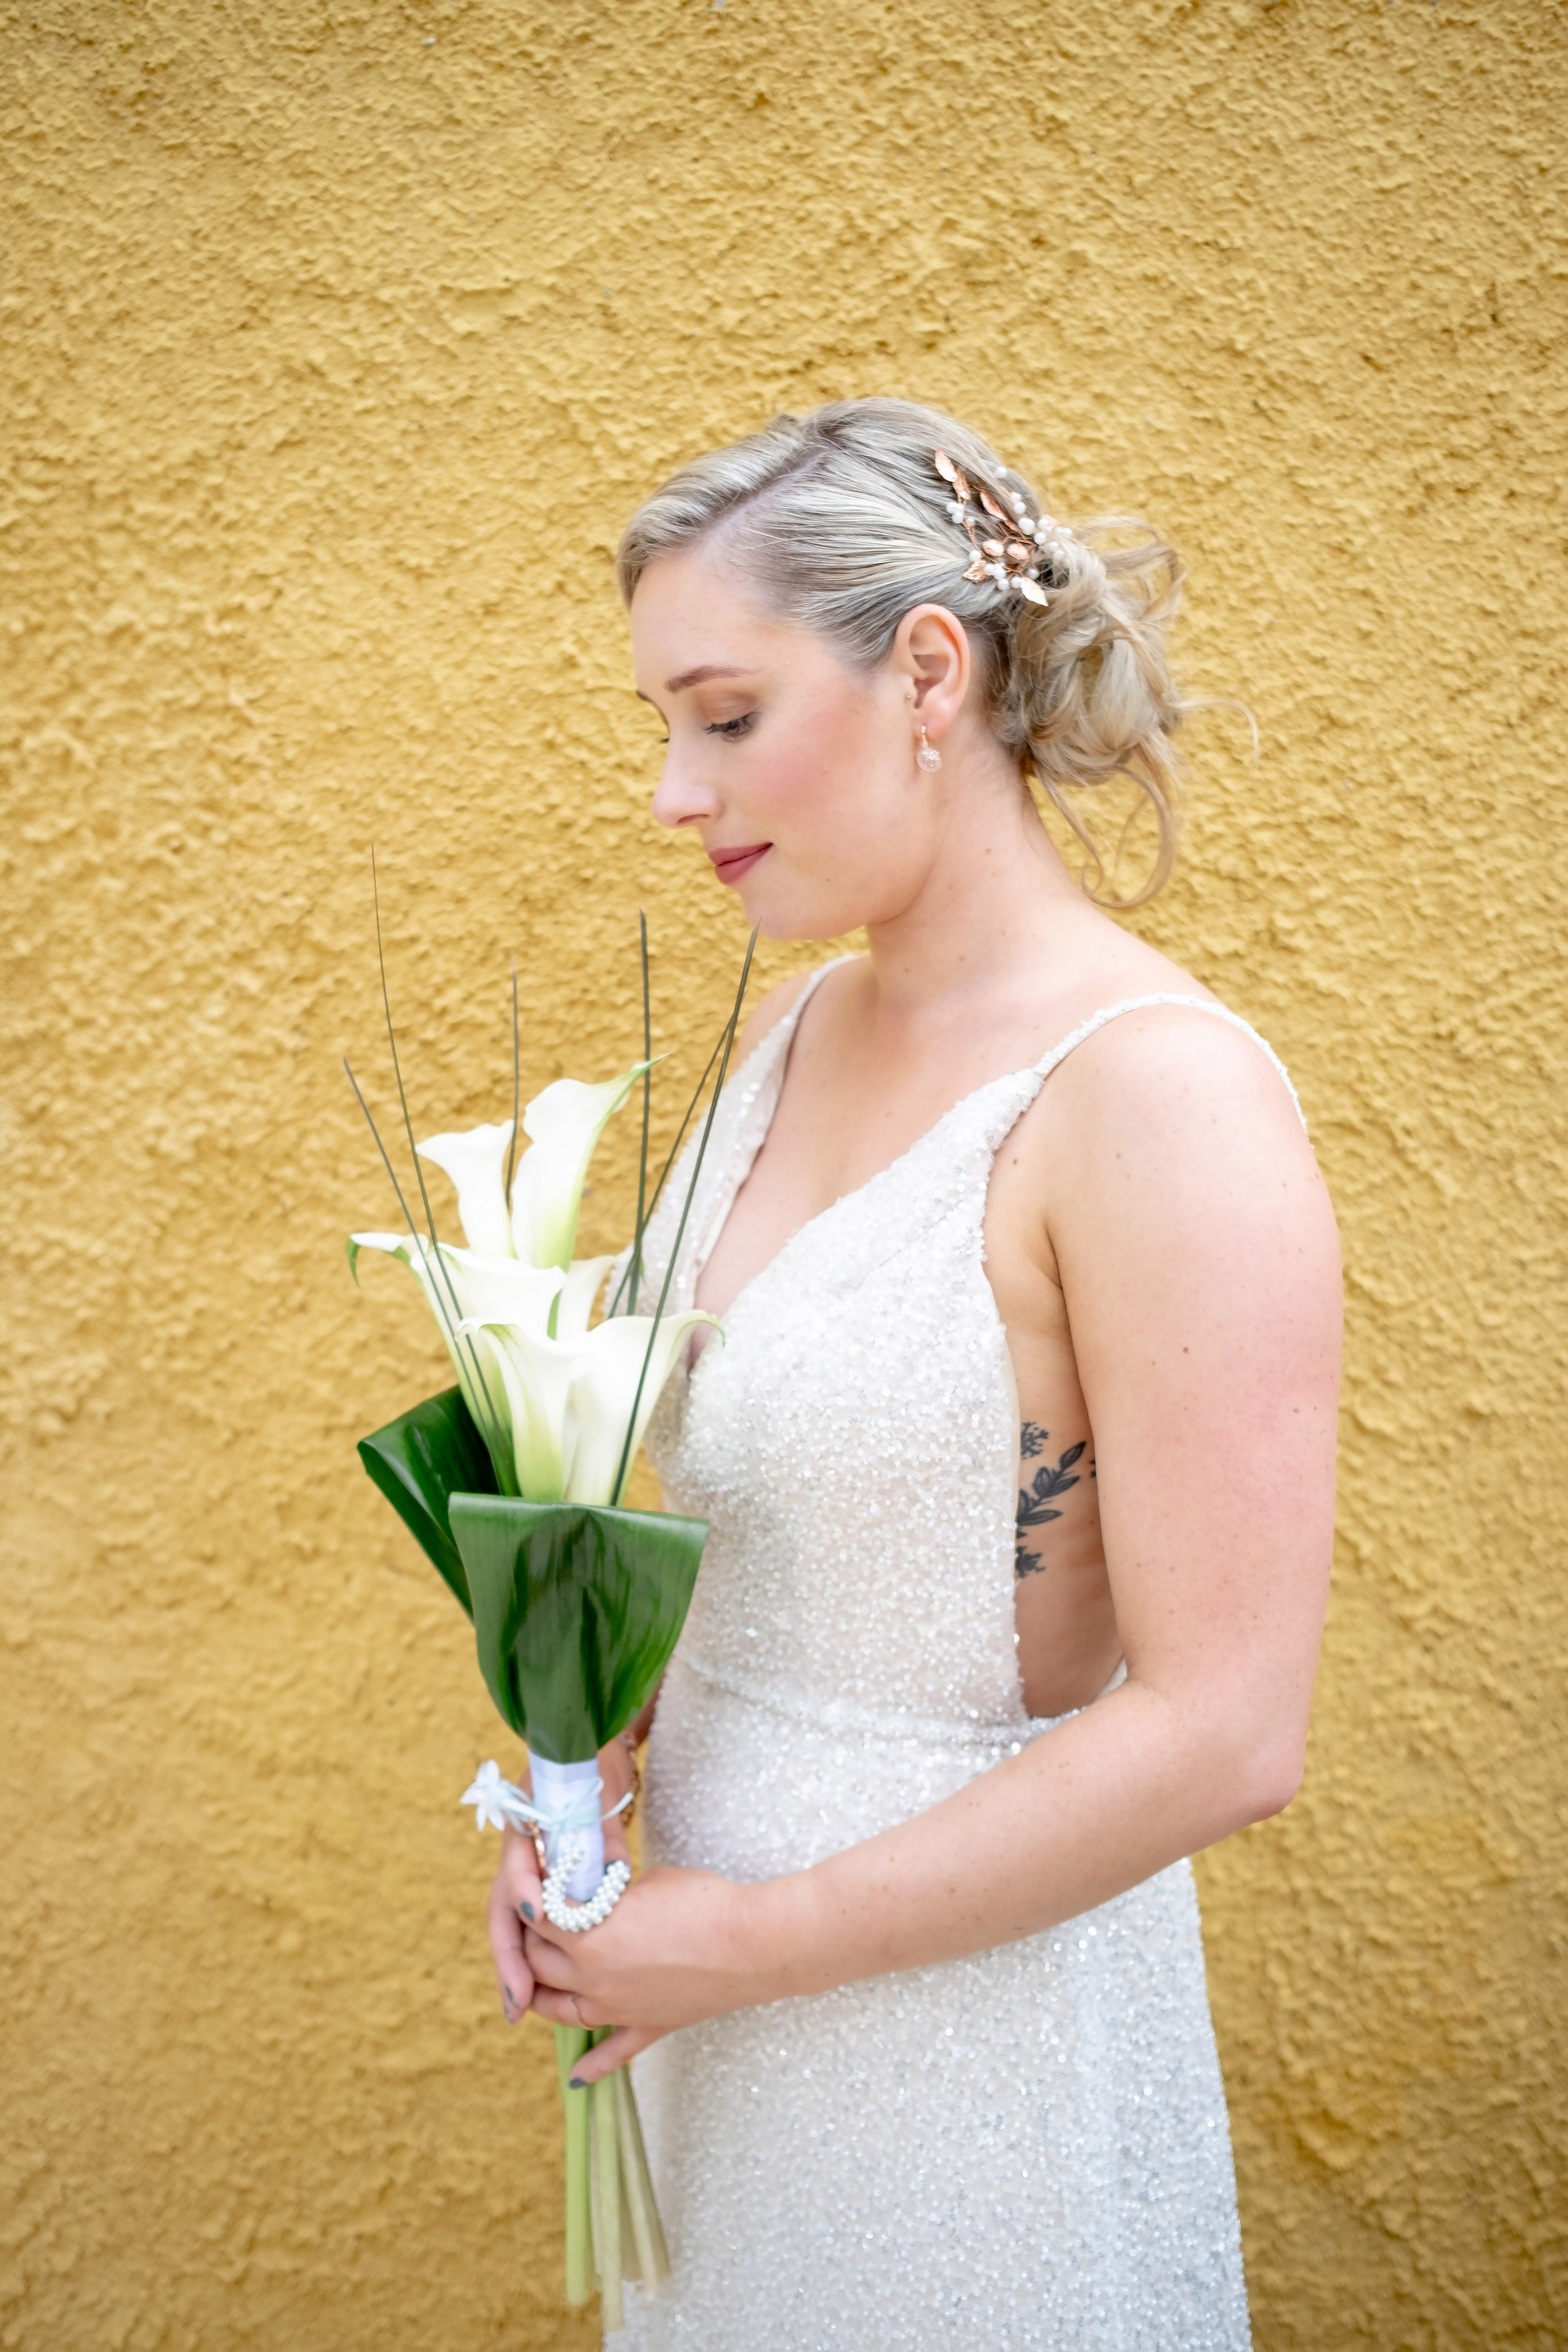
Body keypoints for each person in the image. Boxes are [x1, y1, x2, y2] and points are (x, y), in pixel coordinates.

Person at [489, 398, 1341, 2349]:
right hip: (701, 2027)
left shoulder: (1158, 1103)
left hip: (970, 2068)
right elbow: (735, 1500)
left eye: (723, 713)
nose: (672, 794)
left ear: (928, 673)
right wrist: (572, 1794)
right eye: (663, 730)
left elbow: (1230, 1728)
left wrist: (759, 1944)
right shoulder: (790, 1035)